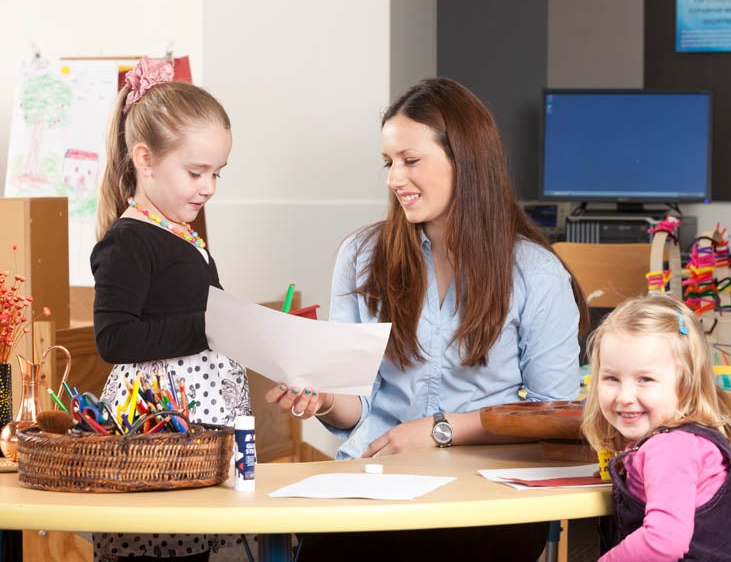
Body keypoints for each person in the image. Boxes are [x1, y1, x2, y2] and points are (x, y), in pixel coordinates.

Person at [265, 77, 590, 561]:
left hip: (484, 494)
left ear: (467, 161)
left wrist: (441, 429)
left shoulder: (535, 272)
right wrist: (323, 398)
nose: (395, 179)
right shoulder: (361, 255)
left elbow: (554, 413)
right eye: (388, 163)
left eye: (411, 161)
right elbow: (356, 404)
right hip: (374, 484)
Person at [90, 57, 251, 562]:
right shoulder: (129, 241)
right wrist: (210, 325)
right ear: (145, 158)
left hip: (197, 434)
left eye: (217, 174)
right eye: (196, 172)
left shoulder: (183, 233)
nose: (208, 187)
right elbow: (113, 339)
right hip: (158, 437)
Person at [581, 295, 731, 561]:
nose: (624, 396)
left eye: (645, 379)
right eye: (612, 378)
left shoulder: (669, 449)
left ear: (686, 383)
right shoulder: (694, 440)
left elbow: (665, 542)